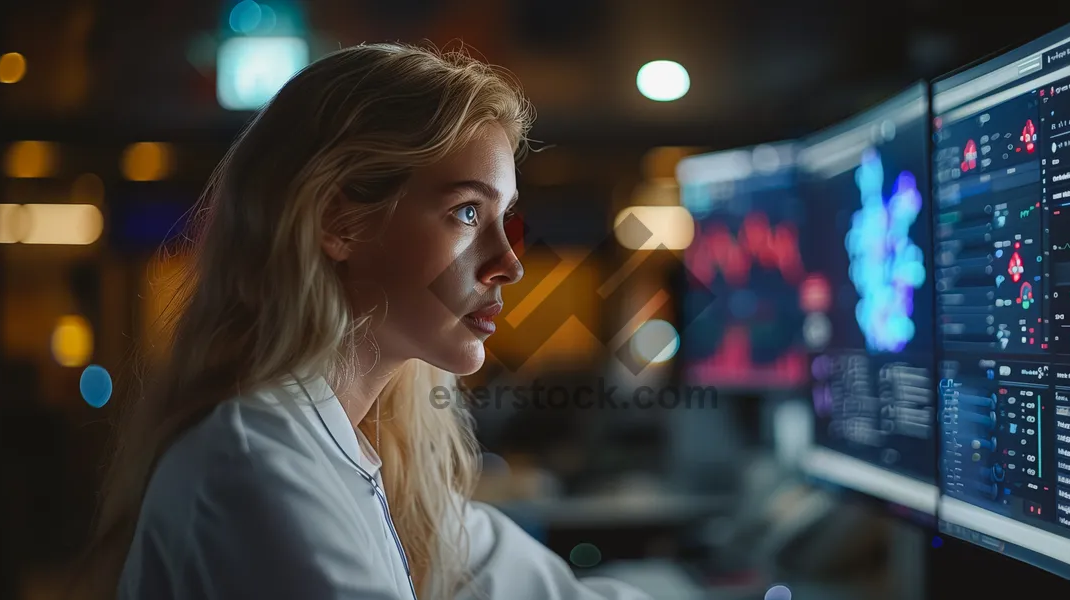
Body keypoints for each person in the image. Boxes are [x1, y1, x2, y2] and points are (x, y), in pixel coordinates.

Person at [81, 43, 653, 600]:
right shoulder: (254, 465)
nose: (510, 263)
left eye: (503, 216)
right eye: (467, 212)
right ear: (339, 221)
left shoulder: (360, 448)